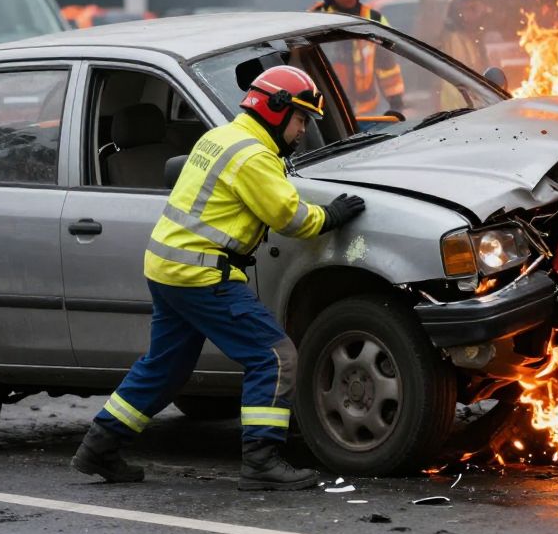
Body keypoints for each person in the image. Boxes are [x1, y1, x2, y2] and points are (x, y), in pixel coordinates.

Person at [72, 65, 367, 490]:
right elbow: (290, 217)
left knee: (164, 367)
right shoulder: (254, 156)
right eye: (301, 119)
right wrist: (332, 215)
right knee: (273, 356)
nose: (304, 130)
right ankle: (262, 459)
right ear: (276, 110)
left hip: (167, 268)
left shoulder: (221, 137)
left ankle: (98, 446)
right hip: (201, 273)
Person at [309, 0, 405, 115]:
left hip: (369, 113)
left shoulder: (374, 20)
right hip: (330, 114)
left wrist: (396, 103)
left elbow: (388, 66)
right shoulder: (312, 22)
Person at [436, 0, 492, 73]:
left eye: (474, 8)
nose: (467, 16)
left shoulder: (474, 39)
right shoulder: (453, 40)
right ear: (454, 11)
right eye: (465, 9)